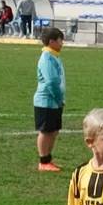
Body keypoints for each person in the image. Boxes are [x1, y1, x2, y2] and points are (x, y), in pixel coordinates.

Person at [34, 27, 66, 172]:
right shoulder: (47, 58)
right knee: (46, 131)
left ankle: (48, 158)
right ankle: (43, 160)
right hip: (47, 101)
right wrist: (59, 98)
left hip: (54, 101)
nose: (62, 44)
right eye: (60, 41)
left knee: (53, 131)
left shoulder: (53, 56)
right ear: (51, 41)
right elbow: (52, 82)